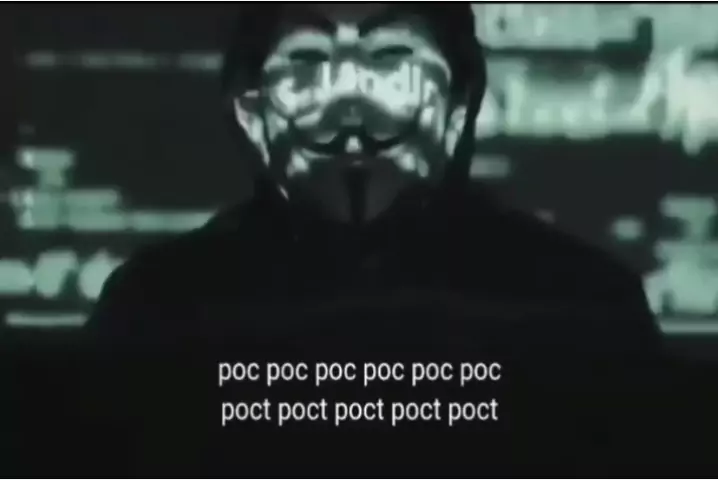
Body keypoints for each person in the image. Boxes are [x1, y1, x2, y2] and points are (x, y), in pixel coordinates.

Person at [79, 3, 672, 473]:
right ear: (249, 112)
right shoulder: (158, 308)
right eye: (307, 60)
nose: (350, 102)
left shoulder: (582, 308)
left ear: (460, 103)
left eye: (392, 60)